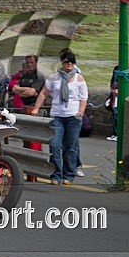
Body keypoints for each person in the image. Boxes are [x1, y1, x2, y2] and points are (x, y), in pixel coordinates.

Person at [29, 50, 88, 185]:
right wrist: (37, 108)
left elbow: (83, 98)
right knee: (55, 145)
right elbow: (44, 93)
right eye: (67, 62)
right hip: (57, 116)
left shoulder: (79, 79)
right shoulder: (54, 77)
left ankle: (68, 175)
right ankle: (55, 174)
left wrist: (81, 112)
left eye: (72, 62)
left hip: (73, 117)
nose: (69, 65)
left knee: (70, 147)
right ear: (62, 62)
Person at [107, 62, 129, 141]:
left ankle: (119, 133)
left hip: (124, 96)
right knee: (114, 114)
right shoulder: (116, 68)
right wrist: (113, 89)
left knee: (120, 114)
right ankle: (114, 132)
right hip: (115, 95)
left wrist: (121, 91)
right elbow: (112, 80)